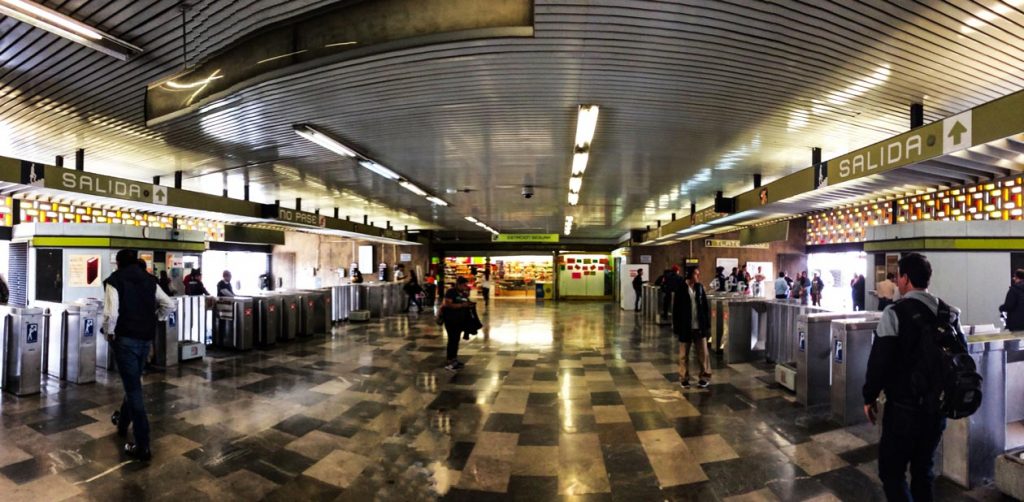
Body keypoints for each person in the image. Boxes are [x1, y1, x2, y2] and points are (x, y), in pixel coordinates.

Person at [863, 253, 965, 502]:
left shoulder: (894, 313)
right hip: (936, 408)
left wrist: (869, 397)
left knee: (892, 472)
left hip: (903, 409)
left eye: (899, 276)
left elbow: (880, 361)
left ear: (905, 278)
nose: (897, 281)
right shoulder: (950, 313)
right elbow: (961, 356)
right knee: (924, 470)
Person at [103, 249, 175, 462]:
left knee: (134, 389)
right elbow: (169, 305)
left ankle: (143, 445)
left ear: (118, 263)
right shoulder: (150, 280)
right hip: (145, 339)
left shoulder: (114, 280)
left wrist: (109, 334)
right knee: (132, 382)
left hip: (125, 340)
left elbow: (111, 314)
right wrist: (154, 319)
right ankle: (122, 423)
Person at [673, 266, 711, 389]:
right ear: (689, 275)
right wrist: (677, 327)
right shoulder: (681, 288)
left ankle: (704, 377)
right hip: (685, 327)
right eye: (696, 274)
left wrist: (706, 324)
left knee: (703, 354)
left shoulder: (700, 288)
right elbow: (676, 310)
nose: (698, 276)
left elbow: (705, 307)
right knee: (684, 355)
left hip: (699, 327)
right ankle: (684, 378)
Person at [441, 277, 476, 371]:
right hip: (451, 319)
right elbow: (447, 304)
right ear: (459, 284)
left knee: (456, 340)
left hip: (460, 320)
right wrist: (461, 305)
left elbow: (465, 301)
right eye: (464, 285)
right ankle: (449, 360)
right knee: (452, 339)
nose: (466, 286)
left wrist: (469, 304)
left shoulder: (463, 293)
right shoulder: (451, 292)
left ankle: (454, 359)